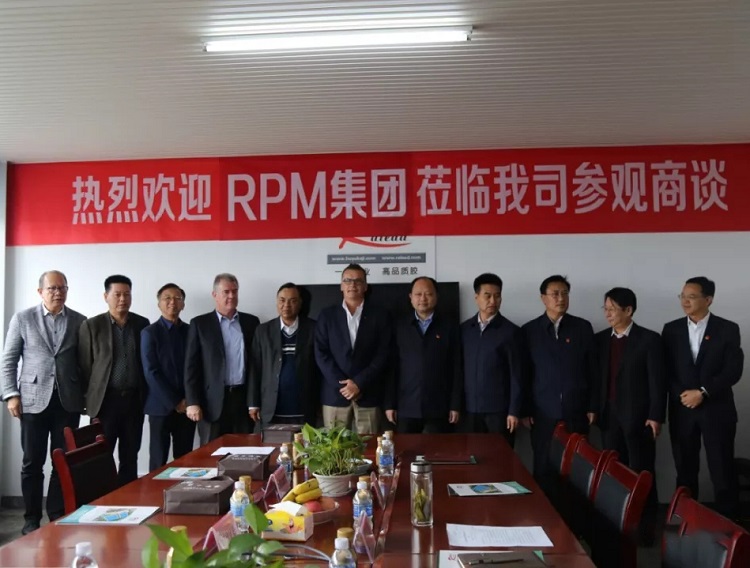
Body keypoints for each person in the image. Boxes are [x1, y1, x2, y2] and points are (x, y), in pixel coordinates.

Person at [1, 271, 86, 535]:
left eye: (62, 288)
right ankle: (31, 518)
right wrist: (11, 394)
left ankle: (57, 514)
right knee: (32, 462)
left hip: (67, 402)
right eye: (52, 288)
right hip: (32, 401)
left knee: (62, 461)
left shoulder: (79, 321)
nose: (57, 292)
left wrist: (85, 398)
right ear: (41, 292)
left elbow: (84, 364)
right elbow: (8, 359)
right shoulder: (23, 318)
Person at [662, 276, 743, 519]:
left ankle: (728, 527)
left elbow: (733, 370)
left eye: (692, 296)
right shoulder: (671, 329)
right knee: (685, 470)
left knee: (722, 469)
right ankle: (685, 522)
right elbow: (665, 369)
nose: (685, 301)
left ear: (708, 300)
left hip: (716, 410)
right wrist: (683, 394)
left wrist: (704, 392)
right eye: (682, 296)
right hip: (682, 409)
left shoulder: (728, 329)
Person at [596, 287, 665, 539]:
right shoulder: (600, 339)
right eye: (605, 309)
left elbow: (658, 382)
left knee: (641, 472)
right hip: (609, 415)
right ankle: (617, 526)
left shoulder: (649, 339)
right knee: (614, 472)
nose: (607, 314)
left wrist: (656, 415)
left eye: (612, 309)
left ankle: (645, 530)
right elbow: (597, 379)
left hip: (639, 418)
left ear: (628, 310)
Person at [522, 275, 598, 491]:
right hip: (542, 412)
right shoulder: (530, 331)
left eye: (565, 293)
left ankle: (574, 511)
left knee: (577, 468)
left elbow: (593, 370)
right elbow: (524, 374)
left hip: (577, 410)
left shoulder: (582, 327)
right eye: (555, 294)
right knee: (543, 465)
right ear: (543, 298)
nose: (561, 298)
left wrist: (593, 406)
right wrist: (524, 409)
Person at [78, 274, 150, 485]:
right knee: (101, 455)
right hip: (105, 402)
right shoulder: (92, 325)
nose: (123, 299)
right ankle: (103, 498)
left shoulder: (141, 324)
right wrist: (87, 400)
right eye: (117, 294)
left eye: (127, 294)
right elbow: (84, 367)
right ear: (106, 296)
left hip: (134, 400)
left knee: (130, 454)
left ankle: (127, 496)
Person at [314, 264, 391, 434]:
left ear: (365, 286)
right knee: (335, 447)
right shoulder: (327, 315)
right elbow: (321, 353)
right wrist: (343, 386)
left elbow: (383, 354)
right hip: (335, 395)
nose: (352, 285)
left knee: (369, 446)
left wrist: (359, 383)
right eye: (347, 280)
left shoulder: (380, 315)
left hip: (368, 394)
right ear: (341, 285)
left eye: (358, 281)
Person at [185, 273, 260, 445]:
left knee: (244, 450)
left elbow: (256, 365)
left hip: (243, 400)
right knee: (211, 451)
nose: (231, 296)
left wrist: (254, 402)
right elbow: (191, 366)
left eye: (235, 291)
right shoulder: (200, 324)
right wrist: (192, 402)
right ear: (215, 295)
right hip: (211, 402)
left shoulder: (251, 322)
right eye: (226, 292)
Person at [385, 277, 462, 434]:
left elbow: (456, 368)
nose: (423, 299)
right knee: (406, 448)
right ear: (410, 297)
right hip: (406, 406)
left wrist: (455, 405)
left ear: (437, 296)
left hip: (439, 407)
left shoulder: (450, 327)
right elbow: (392, 368)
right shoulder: (400, 327)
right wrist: (389, 404)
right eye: (418, 294)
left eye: (428, 294)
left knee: (437, 449)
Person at [459, 273, 522, 444]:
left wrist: (514, 411)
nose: (493, 301)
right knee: (471, 455)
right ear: (476, 297)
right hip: (469, 410)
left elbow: (517, 375)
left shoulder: (511, 332)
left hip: (499, 412)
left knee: (500, 456)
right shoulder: (464, 330)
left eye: (497, 296)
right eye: (487, 296)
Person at [248, 283, 319, 428]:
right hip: (271, 408)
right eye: (282, 300)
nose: (286, 305)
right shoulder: (263, 331)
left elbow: (320, 369)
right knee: (270, 443)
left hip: (304, 408)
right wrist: (253, 404)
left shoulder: (314, 329)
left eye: (292, 301)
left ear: (300, 303)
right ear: (276, 302)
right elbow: (255, 368)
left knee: (304, 443)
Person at [141, 283, 194, 471]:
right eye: (167, 298)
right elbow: (151, 372)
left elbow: (196, 368)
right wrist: (175, 402)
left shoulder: (191, 331)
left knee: (185, 459)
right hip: (160, 407)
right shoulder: (149, 333)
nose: (173, 302)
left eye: (178, 298)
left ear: (183, 304)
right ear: (159, 304)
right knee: (158, 460)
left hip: (187, 406)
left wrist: (188, 400)